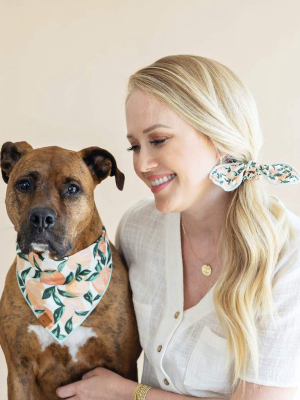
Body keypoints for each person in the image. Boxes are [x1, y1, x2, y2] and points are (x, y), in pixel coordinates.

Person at [57, 55, 300, 400]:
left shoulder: (289, 255)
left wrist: (130, 394)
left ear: (218, 138)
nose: (141, 164)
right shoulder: (137, 228)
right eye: (135, 146)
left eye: (158, 140)